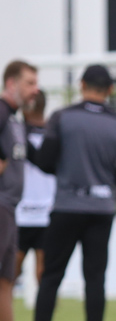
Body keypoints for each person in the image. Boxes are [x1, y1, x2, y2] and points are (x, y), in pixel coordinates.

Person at [26, 64, 116, 321]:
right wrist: (104, 176)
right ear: (110, 90)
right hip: (101, 210)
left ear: (82, 84)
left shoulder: (62, 118)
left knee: (51, 277)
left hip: (65, 206)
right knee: (95, 279)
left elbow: (46, 162)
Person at [0, 60, 38, 321]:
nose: (34, 89)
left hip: (9, 208)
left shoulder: (15, 119)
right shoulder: (1, 111)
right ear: (11, 83)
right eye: (29, 82)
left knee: (6, 280)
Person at [15, 90, 56, 283]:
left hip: (19, 210)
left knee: (10, 272)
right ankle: (46, 313)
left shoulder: (15, 132)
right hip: (48, 210)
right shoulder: (55, 133)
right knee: (44, 272)